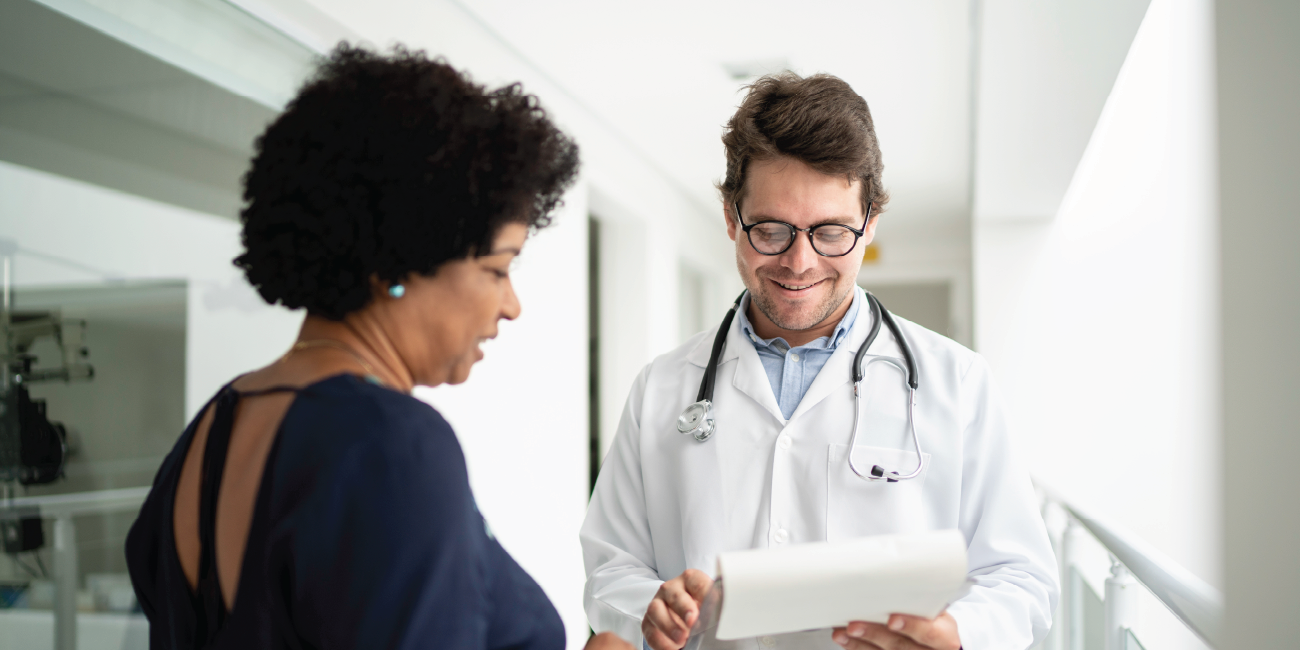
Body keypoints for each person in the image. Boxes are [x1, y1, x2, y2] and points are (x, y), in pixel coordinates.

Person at [126, 45, 630, 650]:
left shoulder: (210, 430)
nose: (510, 304)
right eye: (498, 270)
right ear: (400, 260)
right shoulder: (392, 445)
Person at [580, 72, 1058, 650]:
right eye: (772, 230)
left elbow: (1021, 578)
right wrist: (649, 608)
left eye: (831, 232)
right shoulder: (661, 389)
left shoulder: (958, 383)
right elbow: (611, 571)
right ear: (732, 218)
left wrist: (959, 635)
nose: (800, 262)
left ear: (870, 223)